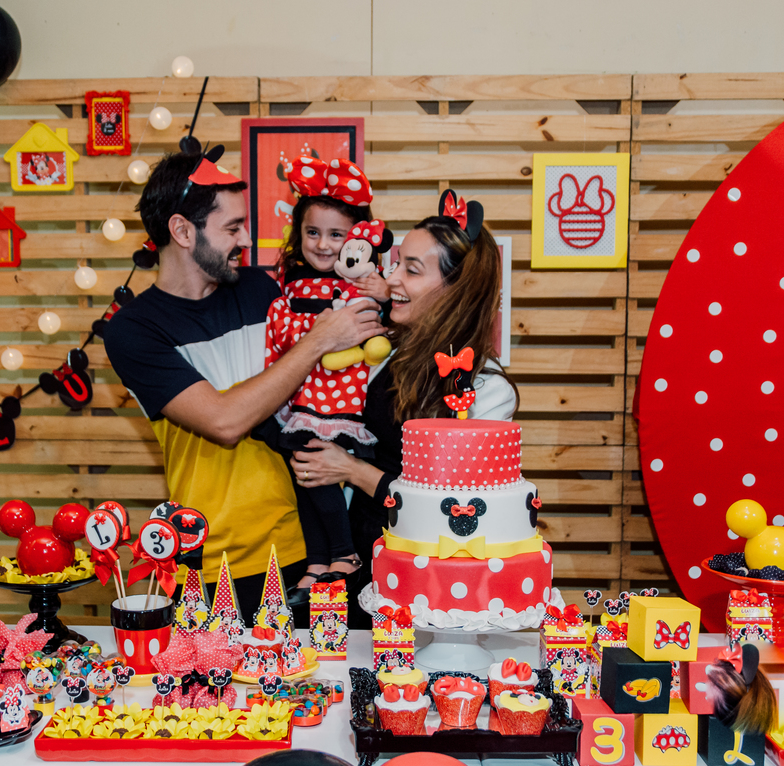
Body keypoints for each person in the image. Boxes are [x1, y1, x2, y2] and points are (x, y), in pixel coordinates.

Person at [103, 145, 384, 608]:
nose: (246, 239)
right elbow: (224, 422)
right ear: (182, 231)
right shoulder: (135, 330)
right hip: (213, 563)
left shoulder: (263, 289)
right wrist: (317, 340)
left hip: (310, 552)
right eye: (233, 227)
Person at [289, 191, 518, 626]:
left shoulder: (487, 388)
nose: (391, 279)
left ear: (457, 288)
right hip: (361, 559)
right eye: (395, 264)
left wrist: (351, 470)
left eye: (411, 270)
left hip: (428, 584)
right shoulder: (389, 354)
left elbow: (459, 509)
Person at [256, 157, 392, 606]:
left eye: (336, 235)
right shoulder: (291, 286)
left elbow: (380, 324)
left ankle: (345, 554)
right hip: (301, 397)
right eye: (313, 232)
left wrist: (379, 292)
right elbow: (283, 336)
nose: (322, 244)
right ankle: (318, 560)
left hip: (339, 400)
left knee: (319, 468)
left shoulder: (357, 284)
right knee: (304, 476)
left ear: (357, 238)